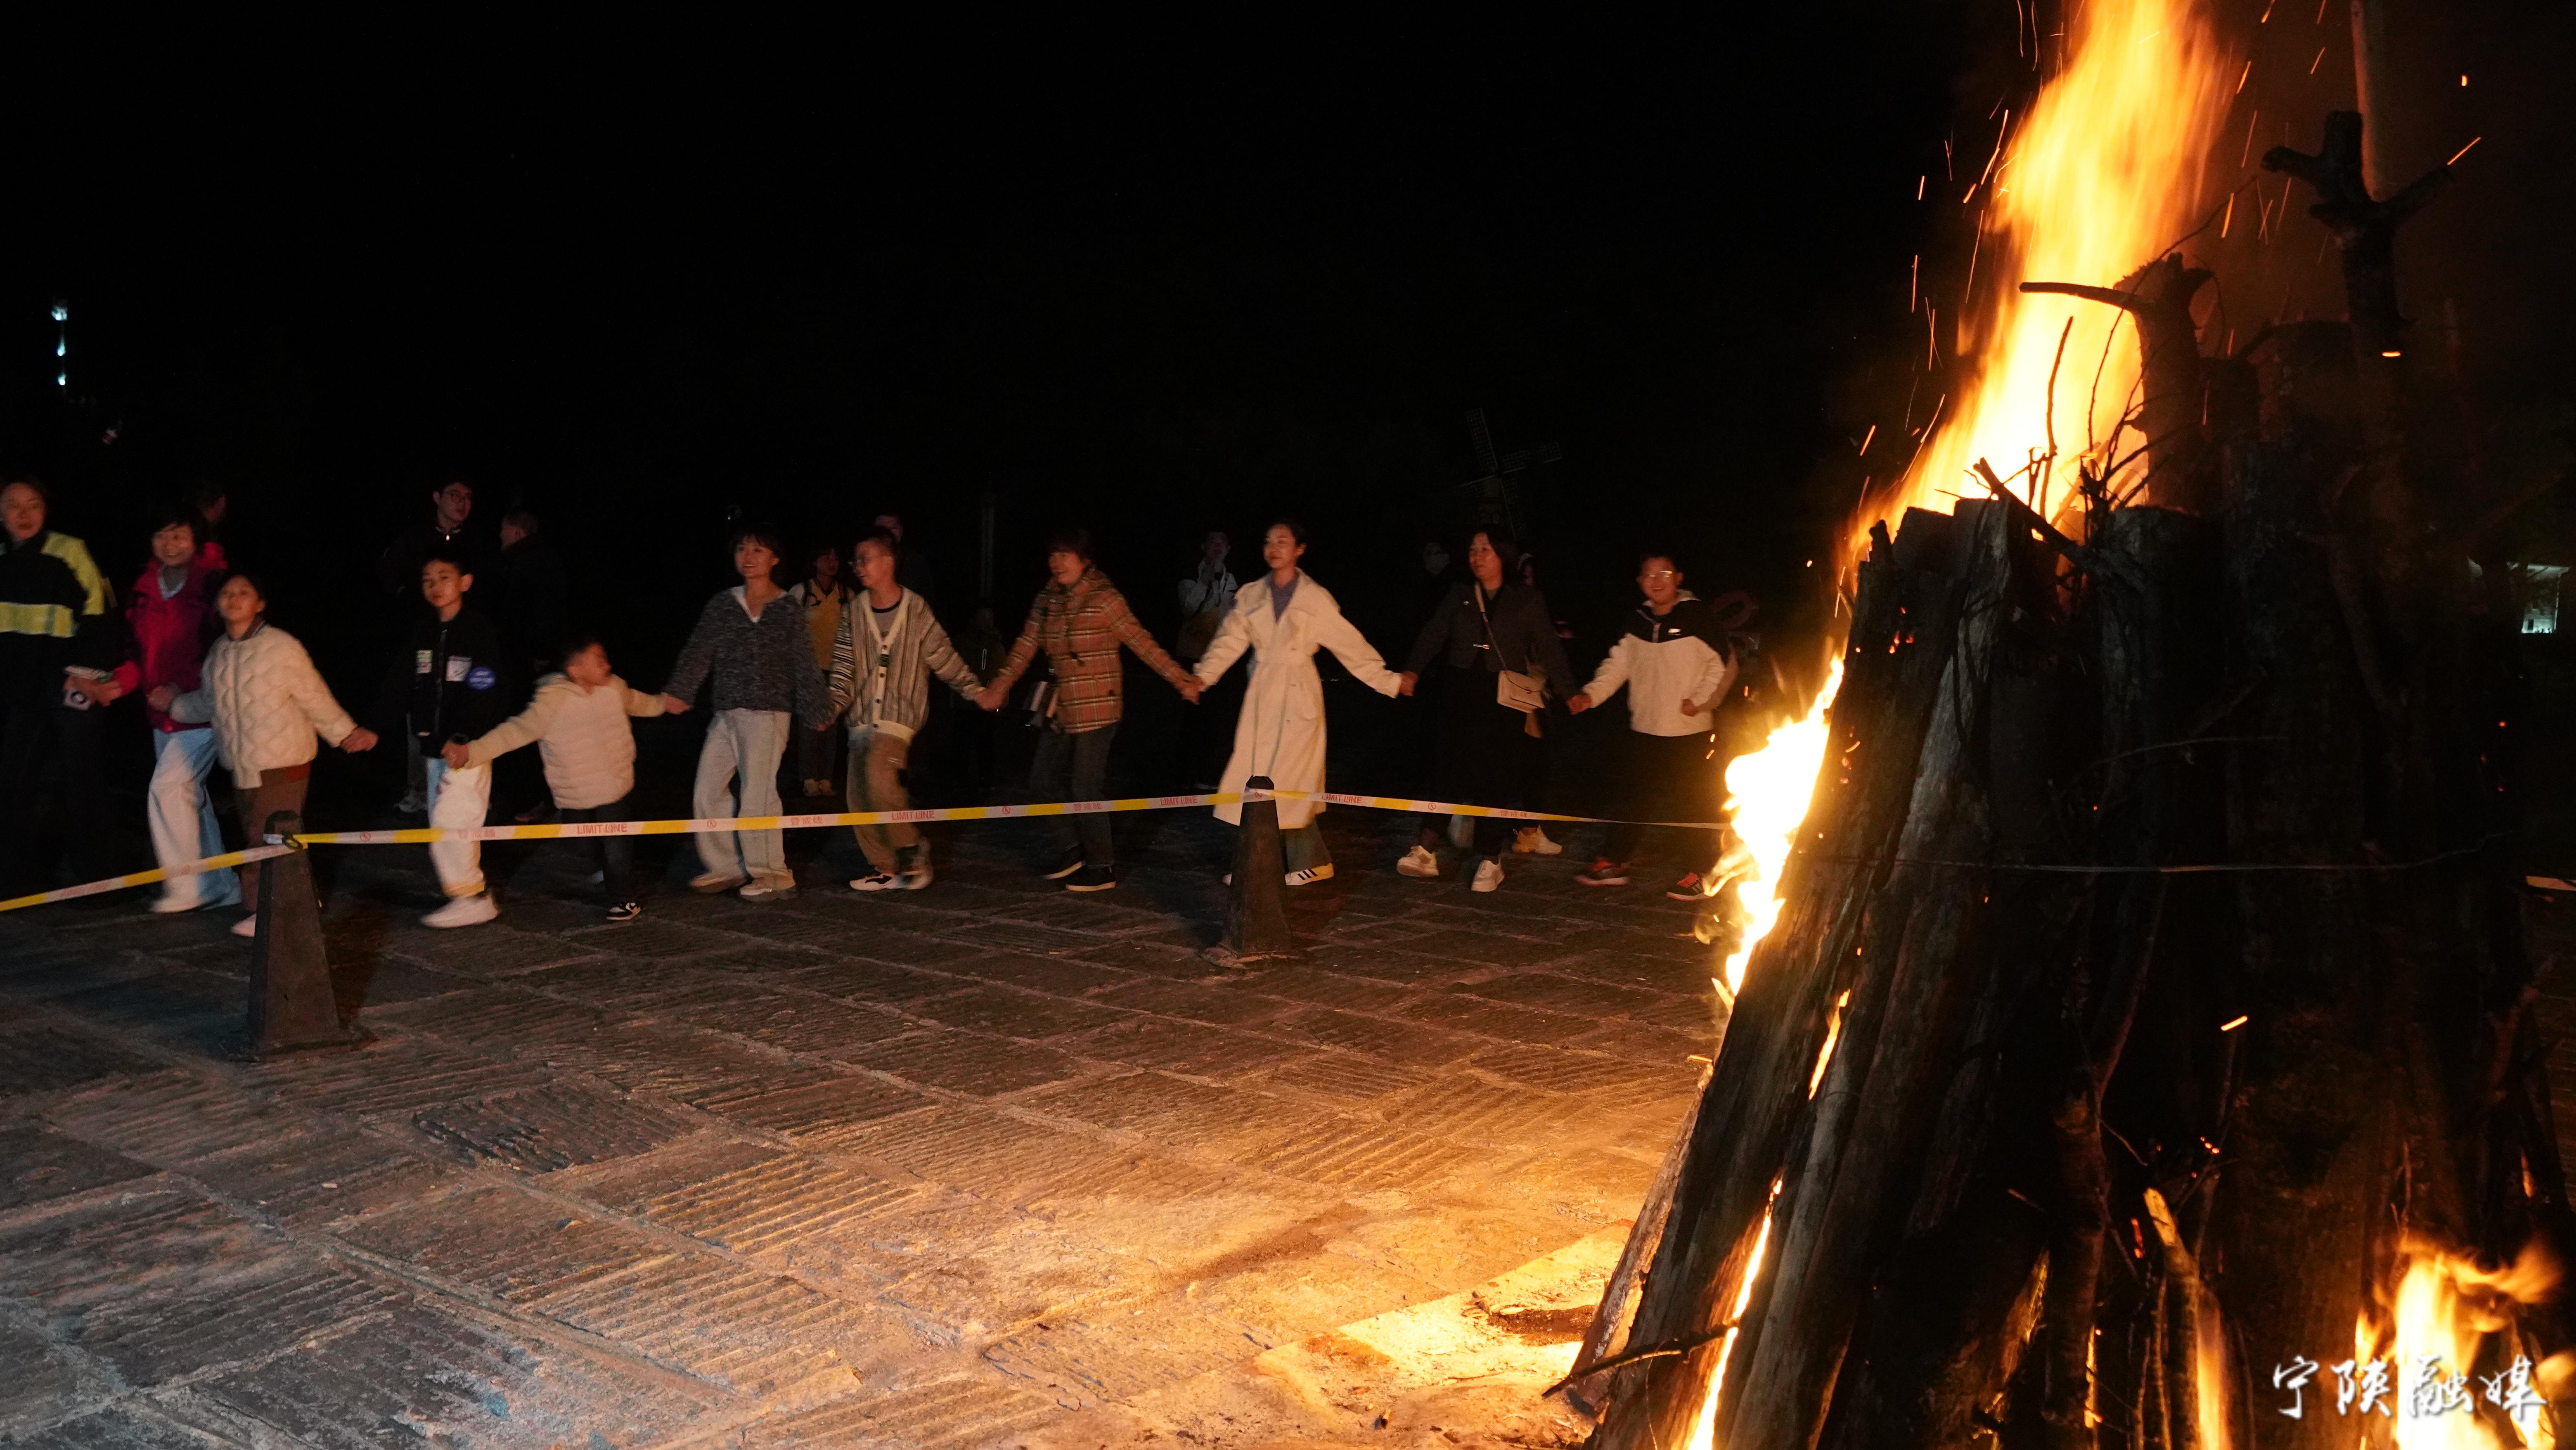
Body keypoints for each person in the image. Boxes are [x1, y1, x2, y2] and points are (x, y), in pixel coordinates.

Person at [975, 526, 1202, 892]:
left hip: (1098, 704)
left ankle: (1102, 865)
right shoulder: (1047, 598)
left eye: (1065, 555)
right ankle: (1072, 849)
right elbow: (1025, 646)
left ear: (1085, 560)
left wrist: (1182, 680)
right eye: (1053, 555)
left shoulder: (1105, 599)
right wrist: (999, 687)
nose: (1057, 562)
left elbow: (1142, 643)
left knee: (1085, 786)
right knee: (1040, 781)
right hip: (1062, 704)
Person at [166, 572, 378, 936]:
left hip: (284, 761)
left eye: (243, 593)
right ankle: (289, 907)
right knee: (261, 837)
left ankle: (267, 913)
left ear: (260, 603)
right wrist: (173, 705)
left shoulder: (281, 646)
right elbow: (209, 702)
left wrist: (345, 733)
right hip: (243, 765)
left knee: (268, 839)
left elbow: (313, 695)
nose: (234, 599)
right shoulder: (219, 652)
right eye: (227, 593)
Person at [1192, 521, 1401, 886]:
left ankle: (1311, 861)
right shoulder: (1252, 595)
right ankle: (1258, 863)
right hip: (1262, 696)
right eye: (1268, 542)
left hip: (1299, 695)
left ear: (1300, 549)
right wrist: (1202, 677)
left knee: (1291, 781)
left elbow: (1349, 644)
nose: (1274, 548)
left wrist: (1389, 681)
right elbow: (1228, 641)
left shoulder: (1314, 598)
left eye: (1283, 542)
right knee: (1255, 779)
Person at [1395, 526, 1573, 892]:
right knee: (1448, 769)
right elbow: (1434, 632)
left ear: (1503, 555)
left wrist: (1569, 691)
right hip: (1461, 691)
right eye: (1474, 550)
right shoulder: (1460, 594)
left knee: (1496, 776)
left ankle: (1491, 859)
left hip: (1504, 698)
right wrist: (1412, 670)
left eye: (1485, 550)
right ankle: (1425, 849)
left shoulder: (1526, 599)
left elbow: (1549, 647)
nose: (1477, 557)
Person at [447, 633, 669, 922]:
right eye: (598, 660)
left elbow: (639, 702)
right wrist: (472, 752)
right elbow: (514, 732)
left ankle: (624, 898)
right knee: (583, 842)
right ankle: (608, 868)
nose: (607, 665)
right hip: (575, 793)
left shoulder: (615, 688)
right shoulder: (552, 702)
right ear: (575, 670)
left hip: (616, 786)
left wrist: (664, 704)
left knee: (616, 847)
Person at [663, 524, 831, 898]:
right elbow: (699, 650)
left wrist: (817, 707)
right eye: (742, 549)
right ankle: (726, 866)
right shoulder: (723, 604)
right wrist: (680, 691)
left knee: (758, 794)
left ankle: (773, 873)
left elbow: (803, 662)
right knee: (708, 788)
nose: (748, 557)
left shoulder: (787, 608)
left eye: (758, 550)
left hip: (768, 714)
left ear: (774, 559)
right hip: (727, 712)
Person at [1568, 552, 1741, 898]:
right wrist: (1591, 695)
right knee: (1633, 798)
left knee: (1692, 803)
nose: (1656, 580)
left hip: (1688, 730)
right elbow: (1617, 666)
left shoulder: (1697, 617)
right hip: (1645, 727)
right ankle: (1614, 862)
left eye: (1664, 573)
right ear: (1640, 583)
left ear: (1678, 578)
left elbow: (1722, 664)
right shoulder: (1638, 621)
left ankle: (1702, 872)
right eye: (1648, 575)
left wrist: (1700, 701)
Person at [827, 528, 984, 891]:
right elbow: (844, 666)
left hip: (898, 718)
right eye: (855, 561)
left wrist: (975, 691)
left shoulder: (916, 610)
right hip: (860, 719)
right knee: (858, 796)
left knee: (880, 777)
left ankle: (912, 850)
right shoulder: (853, 612)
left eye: (865, 560)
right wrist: (833, 706)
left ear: (889, 561)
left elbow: (943, 656)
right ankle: (884, 867)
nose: (858, 567)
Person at [369, 550, 514, 926]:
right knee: (443, 821)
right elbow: (402, 681)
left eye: (444, 577)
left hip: (466, 748)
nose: (435, 586)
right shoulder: (424, 632)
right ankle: (467, 892)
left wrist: (464, 735)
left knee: (454, 817)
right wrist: (374, 726)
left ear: (465, 582)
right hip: (434, 748)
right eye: (428, 580)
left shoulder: (478, 630)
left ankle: (472, 896)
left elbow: (487, 686)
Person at [108, 505, 238, 914]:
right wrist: (117, 684)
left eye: (179, 535)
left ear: (196, 540)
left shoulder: (214, 584)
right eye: (162, 535)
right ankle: (222, 884)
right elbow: (135, 652)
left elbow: (225, 648)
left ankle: (188, 885)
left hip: (203, 706)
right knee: (189, 795)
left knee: (168, 789)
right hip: (161, 713)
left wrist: (181, 685)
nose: (170, 544)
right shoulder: (144, 586)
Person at [0, 478, 118, 891]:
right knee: (15, 782)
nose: (24, 514)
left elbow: (101, 614)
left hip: (69, 684)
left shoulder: (69, 550)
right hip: (21, 692)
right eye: (13, 505)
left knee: (82, 781)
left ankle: (98, 882)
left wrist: (85, 672)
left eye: (33, 504)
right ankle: (20, 882)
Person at [788, 540, 854, 797]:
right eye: (826, 557)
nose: (832, 562)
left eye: (835, 558)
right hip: (809, 669)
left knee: (831, 724)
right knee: (809, 725)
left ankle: (826, 778)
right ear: (815, 562)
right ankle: (808, 778)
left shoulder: (846, 595)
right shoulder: (801, 592)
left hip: (837, 669)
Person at [494, 508, 569, 684]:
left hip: (528, 655)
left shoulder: (525, 562)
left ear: (517, 532)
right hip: (539, 652)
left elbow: (537, 609)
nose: (501, 535)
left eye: (504, 529)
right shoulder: (545, 558)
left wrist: (541, 651)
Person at [875, 512, 937, 604]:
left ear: (901, 531)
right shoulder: (863, 562)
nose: (888, 533)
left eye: (893, 528)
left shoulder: (915, 562)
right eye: (883, 529)